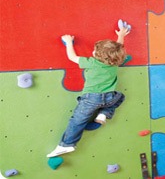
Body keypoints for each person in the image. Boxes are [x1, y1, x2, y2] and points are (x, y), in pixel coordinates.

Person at [47, 26, 130, 157]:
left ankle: (66, 145)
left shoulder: (91, 63)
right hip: (109, 97)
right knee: (120, 97)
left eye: (95, 51)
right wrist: (121, 35)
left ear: (97, 56)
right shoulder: (115, 62)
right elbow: (118, 48)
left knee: (78, 121)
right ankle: (104, 113)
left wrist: (68, 43)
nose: (93, 52)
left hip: (91, 99)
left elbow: (72, 57)